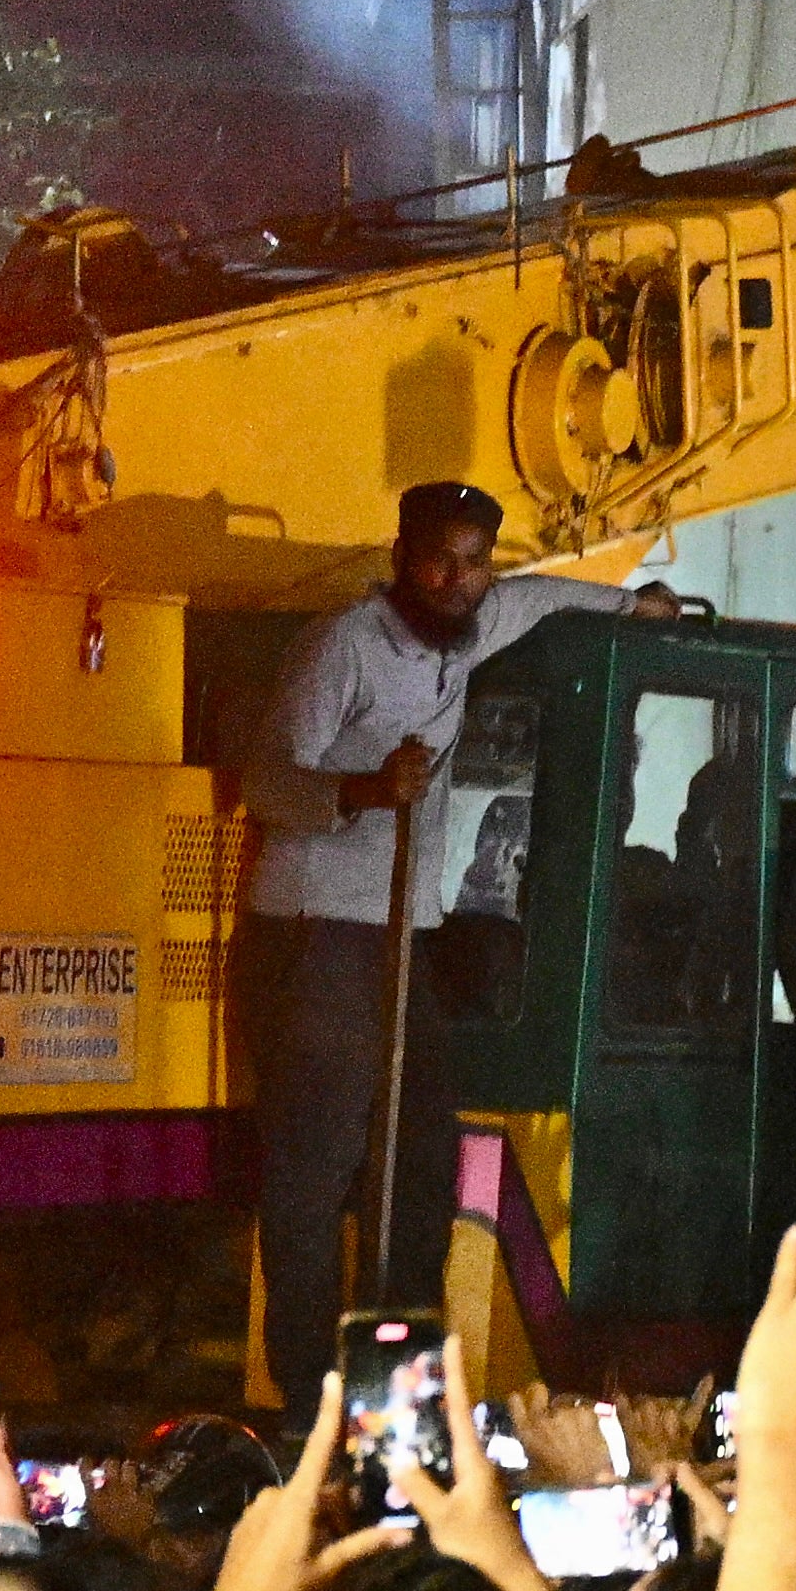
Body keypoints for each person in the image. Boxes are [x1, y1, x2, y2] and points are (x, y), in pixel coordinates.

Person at [241, 482, 626, 1377]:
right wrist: (367, 791)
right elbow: (265, 780)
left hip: (398, 935)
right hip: (316, 930)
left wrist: (635, 603)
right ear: (400, 560)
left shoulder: (475, 624)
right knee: (321, 1164)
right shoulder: (346, 647)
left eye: (475, 562)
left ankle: (402, 1376)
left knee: (423, 1157)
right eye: (440, 560)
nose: (460, 581)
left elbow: (543, 595)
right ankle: (309, 1388)